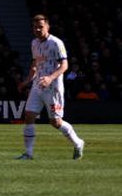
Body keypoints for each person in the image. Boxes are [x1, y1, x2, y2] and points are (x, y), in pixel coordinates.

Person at [17, 14, 85, 161]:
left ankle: (78, 143)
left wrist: (50, 78)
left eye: (40, 27)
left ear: (47, 26)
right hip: (37, 86)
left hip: (53, 87)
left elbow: (65, 65)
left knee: (55, 122)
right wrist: (27, 81)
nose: (37, 29)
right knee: (29, 116)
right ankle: (28, 154)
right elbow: (35, 65)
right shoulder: (34, 43)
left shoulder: (56, 43)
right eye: (35, 27)